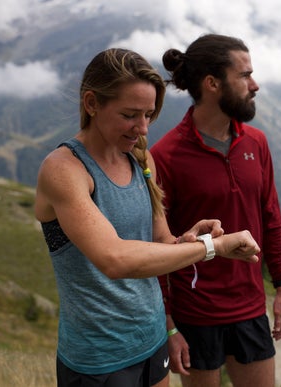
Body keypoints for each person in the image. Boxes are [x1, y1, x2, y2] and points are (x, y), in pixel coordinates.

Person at [34, 48, 261, 387]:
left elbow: (159, 242)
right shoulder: (64, 169)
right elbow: (115, 259)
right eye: (130, 115)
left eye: (149, 115)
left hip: (151, 342)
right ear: (92, 103)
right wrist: (213, 248)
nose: (142, 129)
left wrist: (190, 239)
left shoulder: (141, 160)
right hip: (99, 358)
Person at [150, 34, 281, 387]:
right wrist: (169, 325)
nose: (254, 85)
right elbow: (157, 246)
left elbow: (270, 218)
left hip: (249, 308)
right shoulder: (166, 156)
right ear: (212, 83)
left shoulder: (256, 142)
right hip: (195, 315)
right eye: (244, 76)